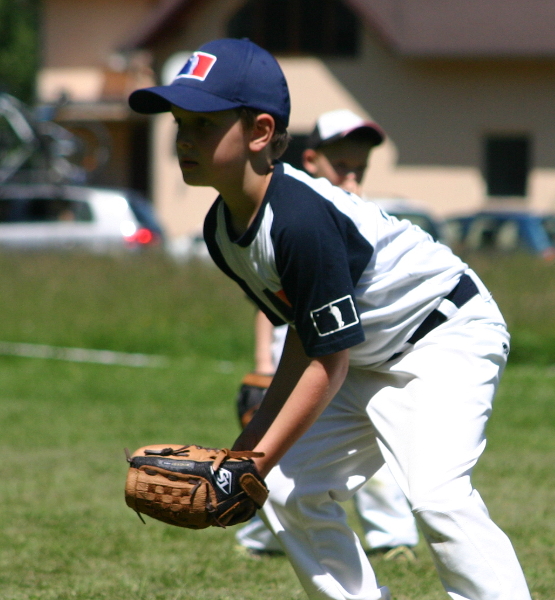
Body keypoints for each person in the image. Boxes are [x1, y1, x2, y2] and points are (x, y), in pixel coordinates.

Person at [129, 38, 532, 600]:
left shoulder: (298, 220)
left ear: (261, 132)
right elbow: (306, 337)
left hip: (445, 334)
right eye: (180, 123)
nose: (184, 138)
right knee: (291, 489)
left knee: (437, 495)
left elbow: (327, 359)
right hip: (368, 350)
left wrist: (247, 462)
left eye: (203, 123)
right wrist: (243, 455)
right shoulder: (223, 233)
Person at [235, 109, 419, 560]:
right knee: (283, 448)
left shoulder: (361, 215)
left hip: (350, 349)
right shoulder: (290, 211)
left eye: (360, 168)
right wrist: (263, 362)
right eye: (342, 166)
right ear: (312, 159)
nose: (352, 177)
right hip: (297, 351)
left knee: (372, 438)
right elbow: (272, 308)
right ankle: (259, 535)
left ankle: (391, 536)